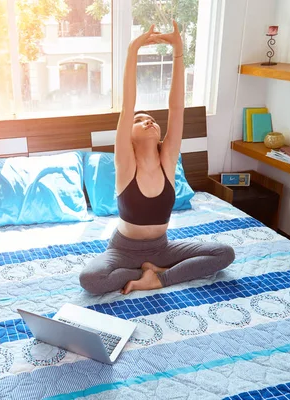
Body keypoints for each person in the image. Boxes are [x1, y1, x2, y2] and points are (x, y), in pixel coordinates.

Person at [79, 22, 235, 295]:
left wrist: (178, 51)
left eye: (152, 119)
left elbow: (177, 108)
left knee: (224, 253)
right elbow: (127, 106)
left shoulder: (168, 160)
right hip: (124, 249)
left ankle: (158, 277)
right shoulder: (125, 162)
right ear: (127, 133)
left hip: (162, 248)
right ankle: (145, 272)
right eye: (140, 121)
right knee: (91, 279)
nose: (149, 121)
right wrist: (133, 50)